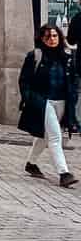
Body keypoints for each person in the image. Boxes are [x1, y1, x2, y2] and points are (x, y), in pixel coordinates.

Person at [18, 23, 79, 187]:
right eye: (47, 37)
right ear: (41, 39)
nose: (52, 39)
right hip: (42, 101)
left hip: (62, 102)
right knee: (55, 136)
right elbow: (24, 81)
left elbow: (73, 80)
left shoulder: (67, 56)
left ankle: (30, 163)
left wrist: (73, 97)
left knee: (43, 137)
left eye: (54, 36)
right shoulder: (35, 56)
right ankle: (64, 173)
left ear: (59, 36)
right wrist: (30, 98)